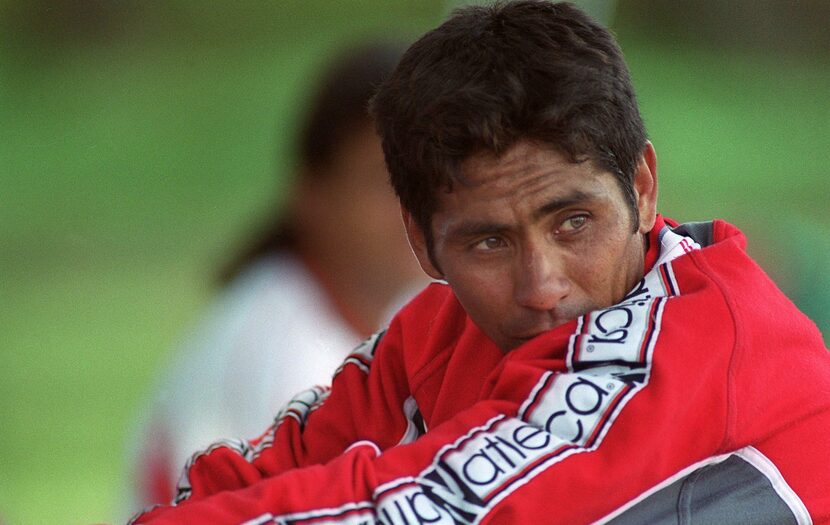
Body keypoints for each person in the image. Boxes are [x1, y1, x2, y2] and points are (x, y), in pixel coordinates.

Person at [131, 2, 830, 523]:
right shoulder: (438, 329)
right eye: (488, 241)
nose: (541, 284)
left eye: (574, 221)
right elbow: (254, 477)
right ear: (422, 241)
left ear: (644, 189)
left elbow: (415, 512)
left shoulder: (690, 347)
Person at [124, 42, 425, 511]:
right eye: (383, 182)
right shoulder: (277, 348)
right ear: (312, 196)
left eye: (426, 177)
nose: (414, 206)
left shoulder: (399, 311)